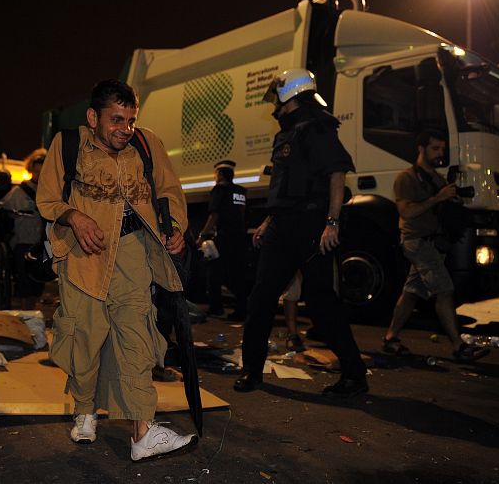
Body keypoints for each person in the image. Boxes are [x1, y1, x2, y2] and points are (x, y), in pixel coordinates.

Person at [36, 79, 196, 461]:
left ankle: (143, 432)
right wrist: (73, 215)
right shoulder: (68, 144)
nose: (124, 129)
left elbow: (169, 192)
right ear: (93, 117)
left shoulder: (147, 144)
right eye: (116, 120)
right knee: (84, 337)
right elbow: (47, 198)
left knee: (137, 337)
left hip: (135, 252)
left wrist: (174, 229)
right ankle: (85, 410)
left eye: (130, 120)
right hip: (82, 255)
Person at [234, 68, 368, 397]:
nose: (273, 105)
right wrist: (269, 221)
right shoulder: (287, 132)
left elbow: (337, 174)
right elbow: (283, 187)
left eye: (277, 96)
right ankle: (251, 370)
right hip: (283, 226)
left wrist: (331, 223)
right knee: (261, 298)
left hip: (312, 225)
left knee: (322, 302)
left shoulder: (317, 126)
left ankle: (354, 375)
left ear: (289, 95)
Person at [382, 131, 490, 362]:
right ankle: (459, 347)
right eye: (435, 149)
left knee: (411, 294)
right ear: (421, 149)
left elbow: (444, 206)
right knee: (444, 291)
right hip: (417, 242)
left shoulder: (437, 178)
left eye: (442, 149)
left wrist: (454, 200)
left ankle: (391, 338)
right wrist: (437, 198)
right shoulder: (407, 178)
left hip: (433, 243)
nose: (440, 153)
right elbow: (406, 212)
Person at [197, 159, 250, 321]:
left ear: (220, 175)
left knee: (214, 273)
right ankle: (243, 309)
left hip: (225, 238)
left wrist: (203, 235)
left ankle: (216, 308)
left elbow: (214, 215)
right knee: (238, 274)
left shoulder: (219, 190)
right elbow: (242, 213)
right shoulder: (240, 191)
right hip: (240, 238)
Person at [0, 149, 47, 310]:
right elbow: (4, 209)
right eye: (37, 170)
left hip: (43, 242)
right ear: (31, 170)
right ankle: (27, 315)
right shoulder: (18, 192)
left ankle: (31, 314)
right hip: (24, 241)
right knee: (25, 281)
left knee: (39, 281)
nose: (40, 174)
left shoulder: (51, 191)